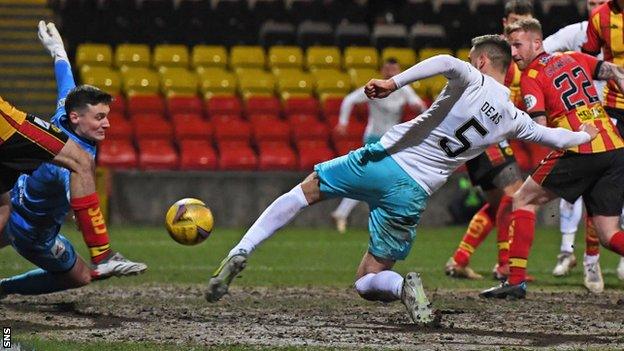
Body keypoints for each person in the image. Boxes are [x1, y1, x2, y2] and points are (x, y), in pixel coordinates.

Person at [205, 34, 597, 324]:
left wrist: (394, 83)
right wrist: (587, 135)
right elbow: (556, 137)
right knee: (368, 280)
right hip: (413, 193)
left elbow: (443, 60)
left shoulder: (470, 78)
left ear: (480, 61)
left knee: (305, 191)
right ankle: (400, 286)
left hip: (384, 160)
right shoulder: (513, 118)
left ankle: (243, 249)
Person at [0, 21, 146, 299]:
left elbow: (65, 80)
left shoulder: (63, 115)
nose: (107, 124)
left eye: (107, 116)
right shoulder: (70, 163)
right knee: (81, 276)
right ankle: (5, 288)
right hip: (32, 231)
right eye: (100, 117)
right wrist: (86, 221)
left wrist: (58, 52)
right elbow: (79, 200)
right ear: (78, 118)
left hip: (11, 206)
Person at [481, 18, 624, 299]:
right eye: (510, 47)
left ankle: (516, 281)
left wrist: (507, 121)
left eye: (518, 45)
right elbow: (612, 70)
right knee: (608, 234)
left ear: (537, 43)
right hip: (615, 148)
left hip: (580, 149)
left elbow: (540, 128)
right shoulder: (574, 56)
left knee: (522, 199)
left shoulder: (532, 77)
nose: (514, 53)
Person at [445, 0, 534, 281]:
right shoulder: (496, 55)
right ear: (504, 23)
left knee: (500, 203)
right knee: (515, 197)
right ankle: (505, 265)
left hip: (489, 136)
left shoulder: (524, 56)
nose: (519, 25)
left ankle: (459, 260)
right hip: (487, 135)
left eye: (525, 20)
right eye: (514, 20)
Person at [542, 0, 614, 291]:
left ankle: (599, 260)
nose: (596, 6)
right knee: (575, 192)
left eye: (601, 1)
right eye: (591, 2)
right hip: (581, 119)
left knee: (609, 192)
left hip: (612, 114)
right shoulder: (576, 33)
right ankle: (568, 251)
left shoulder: (615, 32)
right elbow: (543, 51)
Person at [331, 58, 426, 233]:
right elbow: (349, 99)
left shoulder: (404, 88)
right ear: (382, 71)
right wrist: (343, 122)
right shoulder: (374, 87)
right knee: (377, 179)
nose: (391, 74)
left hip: (392, 139)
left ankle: (343, 212)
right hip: (374, 138)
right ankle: (381, 217)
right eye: (388, 70)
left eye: (394, 70)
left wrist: (420, 108)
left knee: (375, 179)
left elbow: (419, 104)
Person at [581, 0, 624, 281]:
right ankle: (590, 258)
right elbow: (584, 61)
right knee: (600, 182)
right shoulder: (599, 17)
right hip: (613, 110)